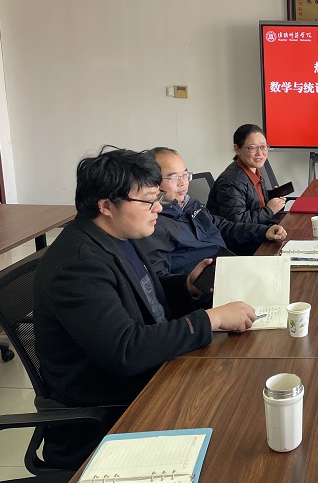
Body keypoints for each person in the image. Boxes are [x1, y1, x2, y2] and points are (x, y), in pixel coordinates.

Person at [34, 147, 259, 470]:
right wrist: (211, 319)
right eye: (148, 201)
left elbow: (146, 297)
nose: (159, 208)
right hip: (115, 413)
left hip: (155, 377)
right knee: (239, 441)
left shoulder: (118, 236)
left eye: (157, 198)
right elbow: (126, 350)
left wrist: (187, 286)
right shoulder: (78, 265)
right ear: (106, 205)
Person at [135, 147, 287, 277]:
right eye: (174, 177)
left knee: (285, 271)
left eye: (185, 175)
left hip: (229, 268)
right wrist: (192, 285)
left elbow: (224, 227)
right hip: (206, 289)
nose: (182, 182)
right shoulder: (152, 223)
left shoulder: (190, 205)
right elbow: (161, 280)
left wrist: (263, 231)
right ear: (152, 182)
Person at [207, 124, 285, 225]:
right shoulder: (231, 182)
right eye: (252, 148)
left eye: (263, 146)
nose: (260, 153)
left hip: (260, 228)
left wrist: (274, 201)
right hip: (243, 234)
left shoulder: (255, 170)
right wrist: (269, 211)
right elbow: (236, 223)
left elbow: (254, 204)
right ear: (237, 149)